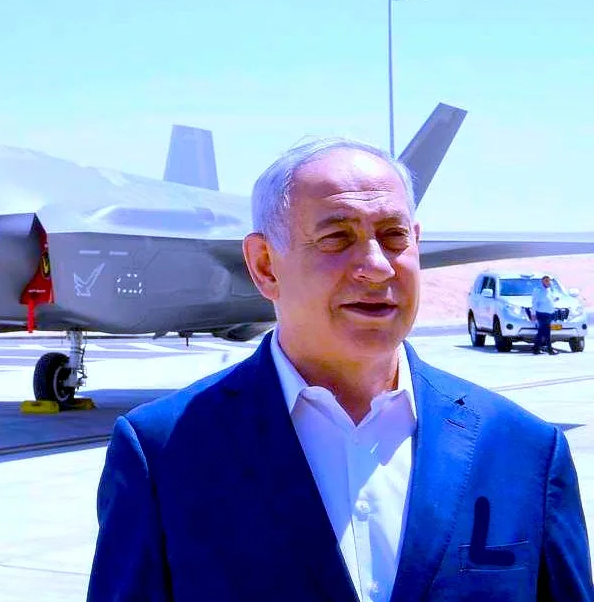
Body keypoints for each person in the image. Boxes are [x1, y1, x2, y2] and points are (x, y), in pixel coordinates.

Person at [86, 138, 593, 601]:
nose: (377, 266)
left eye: (394, 236)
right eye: (336, 238)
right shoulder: (165, 455)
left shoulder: (523, 450)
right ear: (264, 265)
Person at [531, 275, 560, 355]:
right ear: (542, 282)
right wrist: (533, 314)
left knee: (542, 332)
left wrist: (555, 299)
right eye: (546, 281)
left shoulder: (549, 290)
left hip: (549, 314)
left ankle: (536, 348)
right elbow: (534, 303)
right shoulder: (539, 291)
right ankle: (549, 349)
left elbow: (549, 299)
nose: (548, 282)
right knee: (546, 332)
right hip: (542, 314)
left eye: (549, 280)